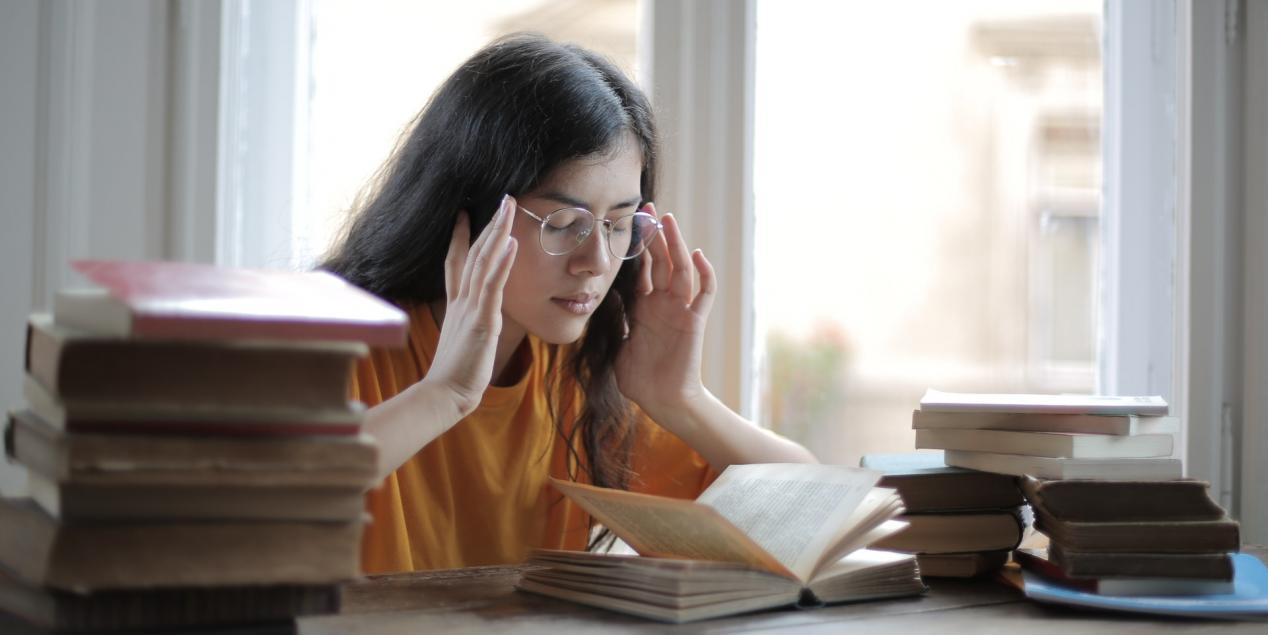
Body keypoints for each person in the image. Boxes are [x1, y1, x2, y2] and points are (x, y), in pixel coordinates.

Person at [322, 33, 816, 574]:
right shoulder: (339, 347)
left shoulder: (575, 371)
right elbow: (251, 500)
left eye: (620, 224)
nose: (597, 261)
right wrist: (446, 393)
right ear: (466, 214)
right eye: (563, 224)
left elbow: (808, 507)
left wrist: (680, 398)